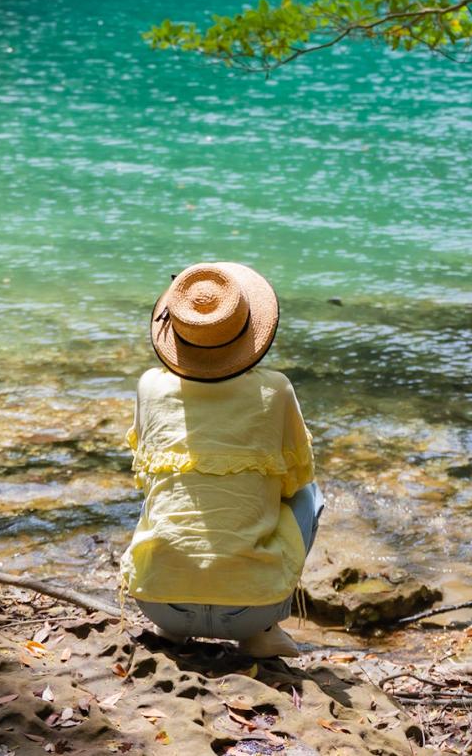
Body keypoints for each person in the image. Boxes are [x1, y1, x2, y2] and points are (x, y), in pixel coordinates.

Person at [121, 262, 324, 658]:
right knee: (308, 495)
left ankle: (172, 629)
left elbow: (146, 480)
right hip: (251, 608)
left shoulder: (150, 386)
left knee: (161, 489)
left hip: (159, 601)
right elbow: (296, 481)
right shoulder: (275, 390)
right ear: (246, 330)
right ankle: (262, 630)